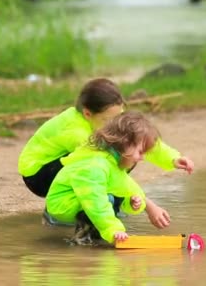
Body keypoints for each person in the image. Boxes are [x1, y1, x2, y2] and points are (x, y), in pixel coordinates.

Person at [17, 78, 194, 228]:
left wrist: (173, 158)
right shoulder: (77, 132)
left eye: (118, 116)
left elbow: (137, 140)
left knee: (124, 152)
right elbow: (111, 170)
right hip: (39, 174)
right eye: (108, 120)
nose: (115, 124)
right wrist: (149, 206)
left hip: (63, 163)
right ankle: (57, 213)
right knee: (115, 158)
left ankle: (109, 207)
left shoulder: (97, 127)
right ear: (87, 113)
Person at [45, 111, 161, 244]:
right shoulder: (95, 165)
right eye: (140, 152)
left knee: (110, 196)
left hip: (76, 198)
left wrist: (132, 200)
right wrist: (112, 228)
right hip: (61, 204)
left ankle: (95, 236)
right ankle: (82, 239)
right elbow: (95, 200)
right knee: (105, 199)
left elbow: (125, 185)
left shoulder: (111, 162)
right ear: (125, 143)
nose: (143, 158)